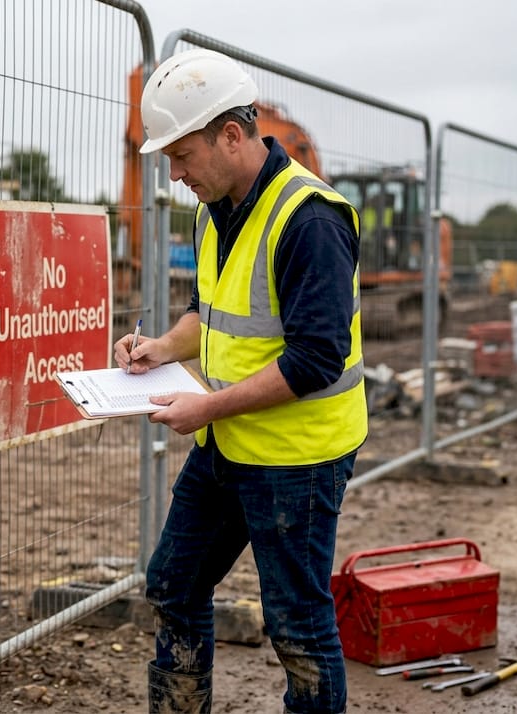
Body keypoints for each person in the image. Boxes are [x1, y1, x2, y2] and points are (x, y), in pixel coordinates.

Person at [115, 49, 366, 714]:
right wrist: (161, 347)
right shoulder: (211, 209)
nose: (174, 175)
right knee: (173, 585)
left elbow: (316, 359)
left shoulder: (310, 219)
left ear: (231, 134)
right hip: (229, 439)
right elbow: (215, 310)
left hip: (297, 456)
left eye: (183, 155)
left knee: (299, 631)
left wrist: (207, 406)